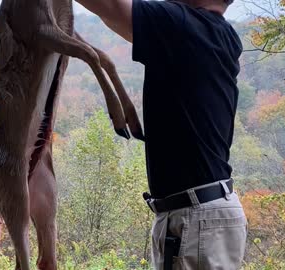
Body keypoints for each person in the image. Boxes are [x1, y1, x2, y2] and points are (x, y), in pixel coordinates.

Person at [74, 0, 247, 269]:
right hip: (210, 214)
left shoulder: (180, 24)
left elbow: (111, 7)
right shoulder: (223, 34)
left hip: (194, 219)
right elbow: (117, 19)